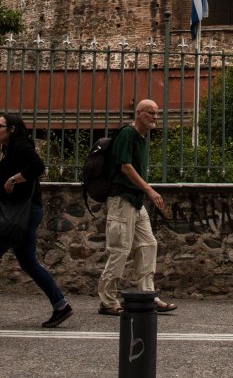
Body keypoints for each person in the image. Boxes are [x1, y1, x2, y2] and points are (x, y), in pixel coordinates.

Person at [0, 114, 73, 330]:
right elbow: (15, 183)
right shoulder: (13, 148)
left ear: (13, 129)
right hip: (23, 211)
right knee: (27, 262)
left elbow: (37, 167)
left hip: (21, 213)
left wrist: (12, 179)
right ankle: (61, 305)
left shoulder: (21, 146)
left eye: (0, 126)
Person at [97, 97, 176, 316]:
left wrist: (144, 193)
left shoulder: (142, 137)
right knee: (119, 251)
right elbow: (125, 167)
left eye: (157, 114)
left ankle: (147, 295)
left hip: (135, 201)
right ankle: (107, 301)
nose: (155, 118)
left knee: (148, 244)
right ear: (139, 113)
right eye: (151, 113)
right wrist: (149, 189)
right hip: (122, 200)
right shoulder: (127, 134)